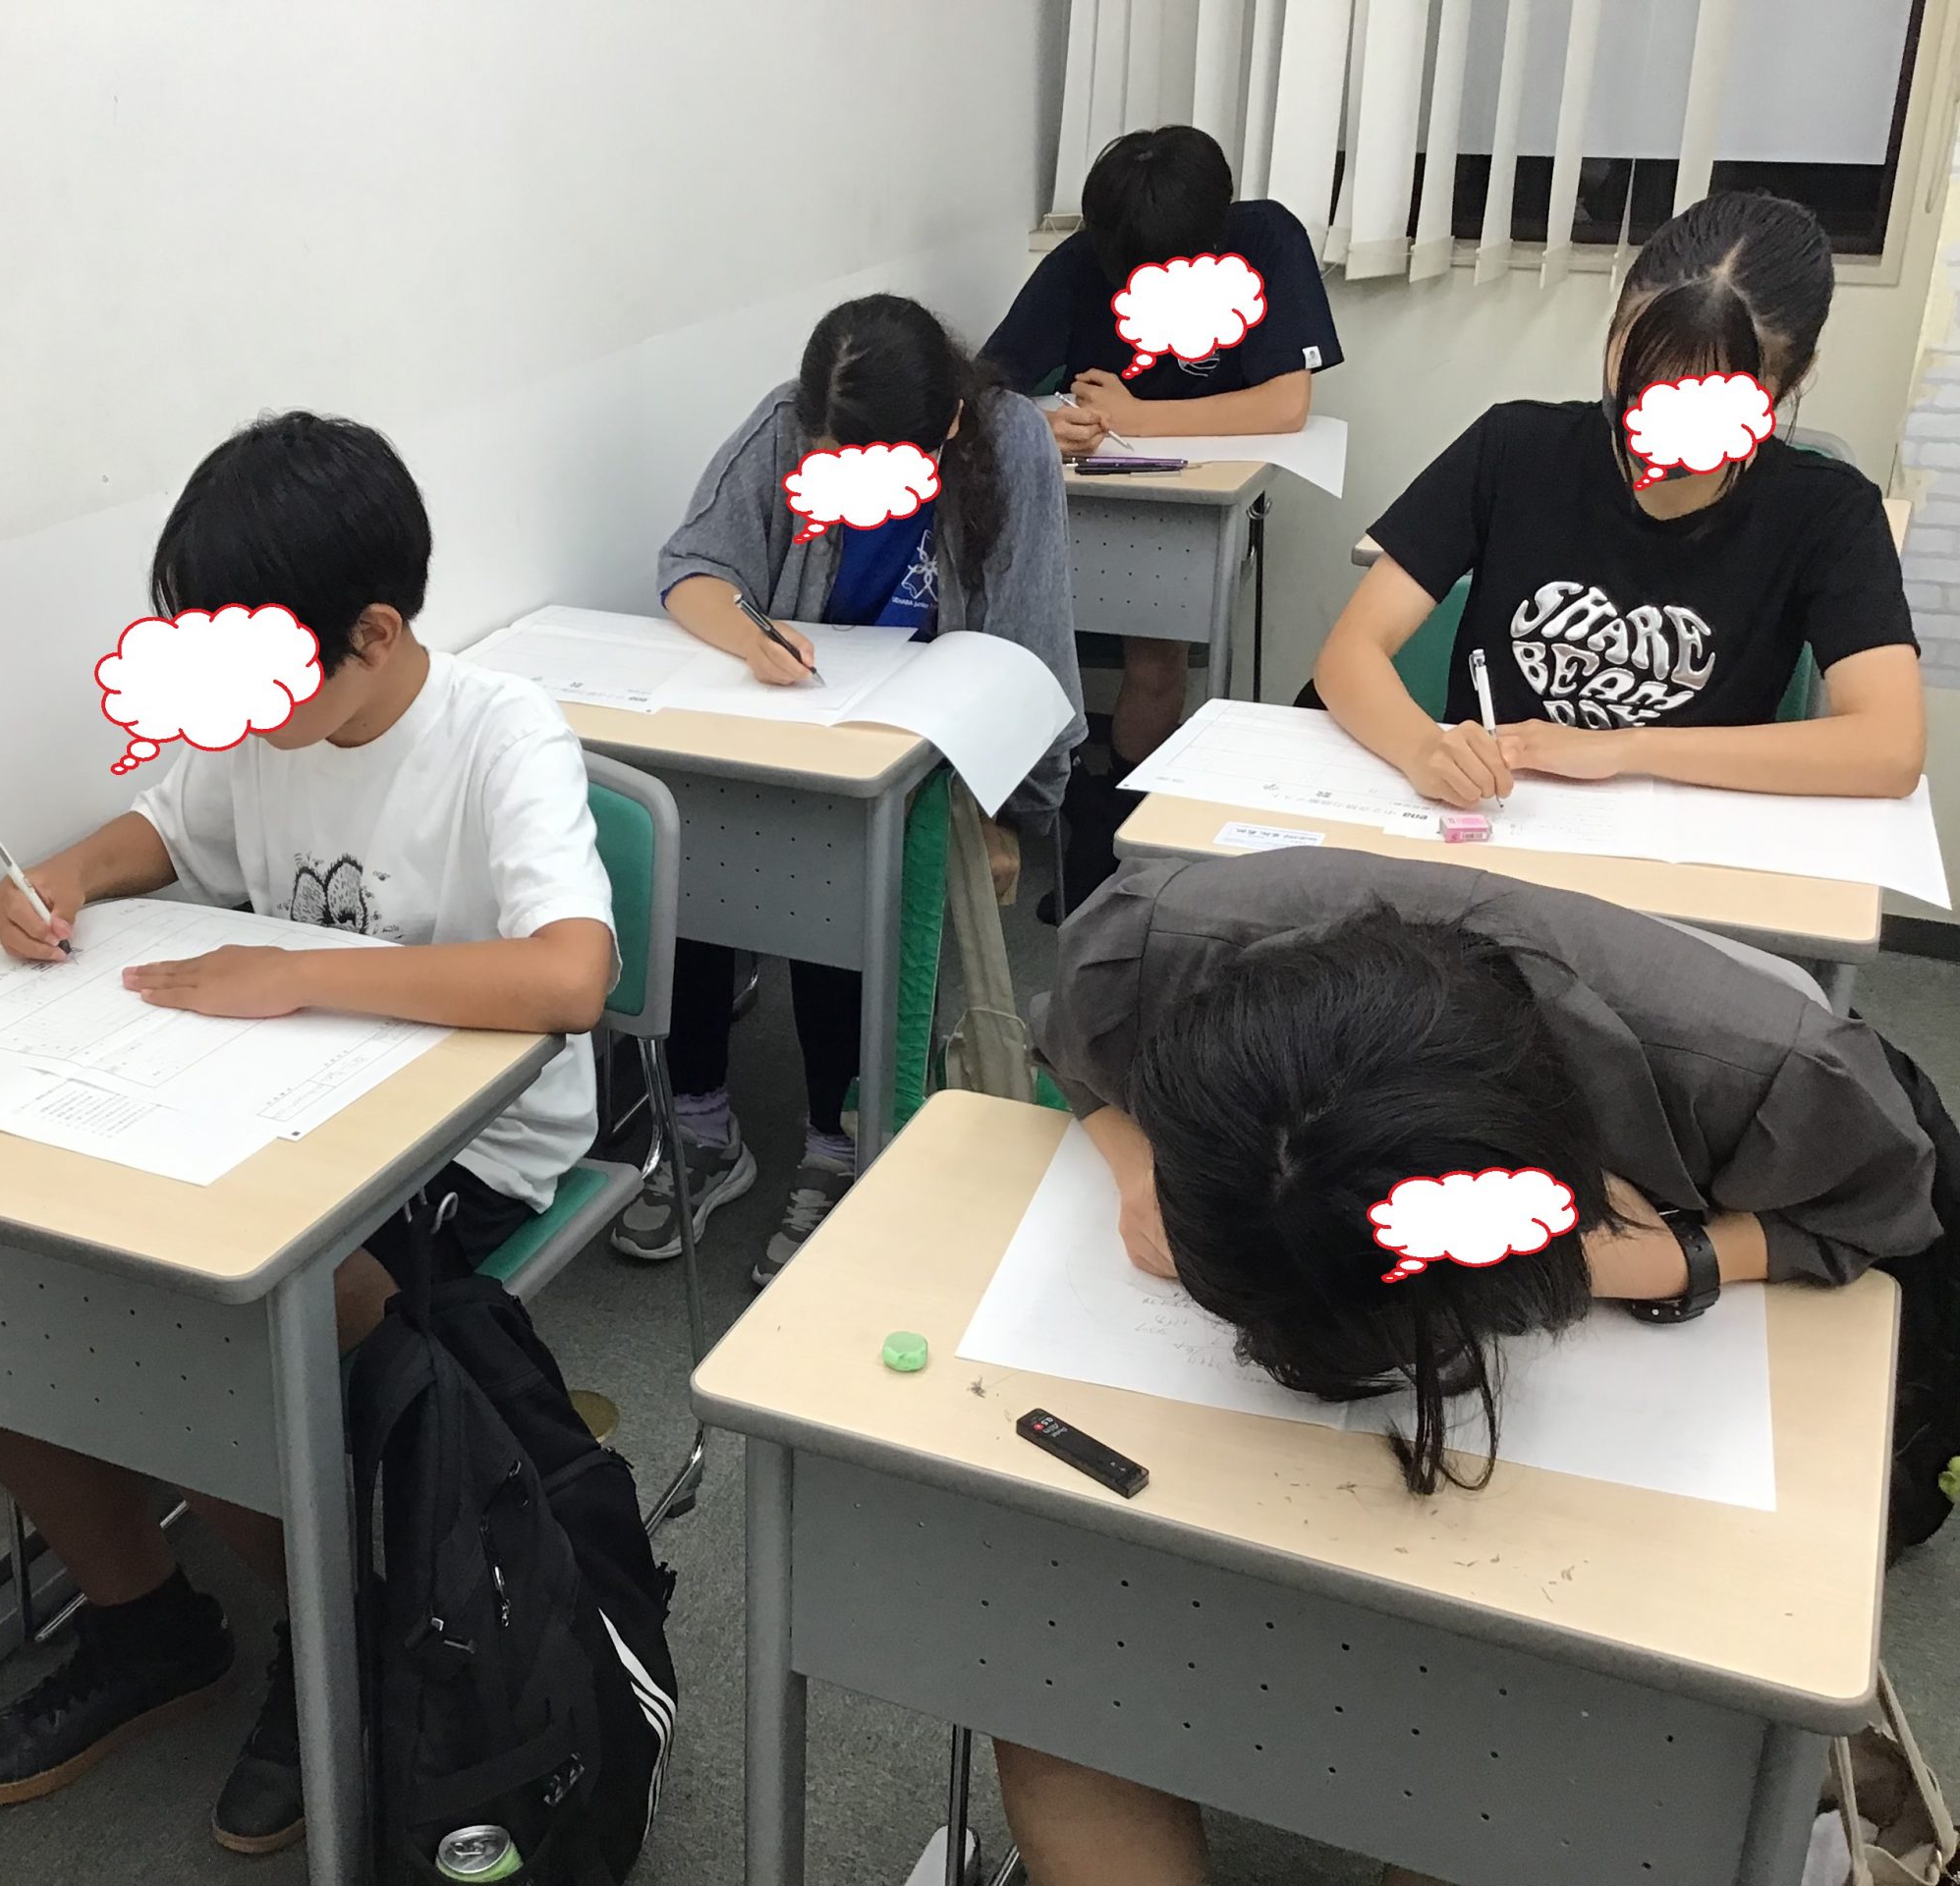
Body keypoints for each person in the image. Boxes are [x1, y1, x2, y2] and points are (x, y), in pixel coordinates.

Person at [1005, 845, 1955, 1885]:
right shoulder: (1151, 944)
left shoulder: (1766, 1072)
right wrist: (1134, 1159)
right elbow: (1067, 1040)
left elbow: (1884, 1216)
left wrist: (1673, 1259)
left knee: (1563, 1706)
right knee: (1068, 1660)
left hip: (1743, 1240)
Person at [0, 412, 618, 1854]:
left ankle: (356, 1638)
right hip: (294, 1103)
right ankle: (148, 1621)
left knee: (223, 1312)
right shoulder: (266, 731)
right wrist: (63, 874)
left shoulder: (500, 733)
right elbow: (161, 833)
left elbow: (571, 977)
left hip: (474, 1150)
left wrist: (304, 971)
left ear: (374, 634)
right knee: (3, 1272)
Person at [611, 293, 1085, 1285]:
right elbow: (693, 566)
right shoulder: (787, 423)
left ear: (947, 424)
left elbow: (1029, 648)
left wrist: (1004, 812)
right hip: (809, 714)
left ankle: (839, 1141)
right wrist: (752, 634)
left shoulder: (1010, 446)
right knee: (692, 849)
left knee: (848, 876)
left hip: (928, 741)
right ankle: (700, 1126)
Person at [1316, 190, 1925, 807]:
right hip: (1496, 818)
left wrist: (1623, 749)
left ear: (1791, 381)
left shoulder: (1828, 512)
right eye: (1641, 378)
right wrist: (1423, 748)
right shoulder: (1515, 448)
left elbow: (1890, 748)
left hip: (1685, 837)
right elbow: (1349, 653)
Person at [983, 124, 1344, 903]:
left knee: (1157, 653)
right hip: (1086, 496)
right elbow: (986, 385)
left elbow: (1286, 403)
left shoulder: (1266, 238)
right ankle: (1077, 813)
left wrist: (1141, 418)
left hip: (1189, 502)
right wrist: (1037, 423)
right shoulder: (1087, 256)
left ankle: (1126, 840)